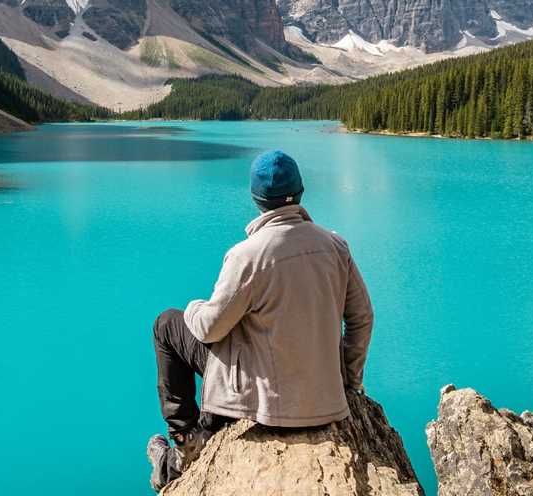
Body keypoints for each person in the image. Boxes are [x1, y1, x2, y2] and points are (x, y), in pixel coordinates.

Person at [146, 150, 374, 491]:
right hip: (327, 403)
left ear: (256, 199)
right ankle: (206, 426)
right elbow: (362, 319)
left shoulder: (247, 255)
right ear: (299, 192)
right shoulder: (335, 245)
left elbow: (209, 328)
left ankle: (185, 437)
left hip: (268, 410)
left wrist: (195, 306)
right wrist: (348, 382)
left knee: (168, 323)